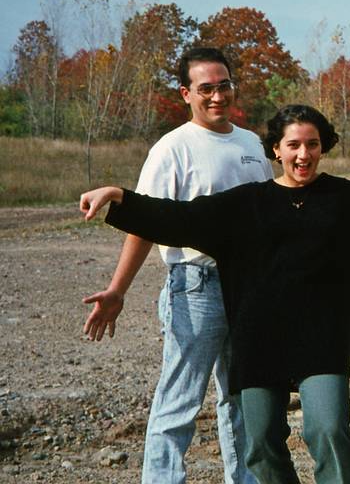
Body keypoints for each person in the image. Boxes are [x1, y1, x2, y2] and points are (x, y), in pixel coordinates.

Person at [80, 104, 350, 484]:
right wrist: (118, 196)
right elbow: (177, 219)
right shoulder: (243, 205)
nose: (303, 155)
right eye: (293, 145)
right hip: (258, 342)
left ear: (324, 148)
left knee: (328, 432)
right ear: (275, 149)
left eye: (313, 144)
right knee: (258, 445)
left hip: (323, 342)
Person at [82, 47, 268, 484]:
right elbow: (146, 223)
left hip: (249, 288)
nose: (217, 96)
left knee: (242, 401)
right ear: (187, 93)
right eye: (206, 89)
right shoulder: (172, 149)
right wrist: (117, 290)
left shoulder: (252, 144)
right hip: (196, 286)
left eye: (224, 86)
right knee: (179, 404)